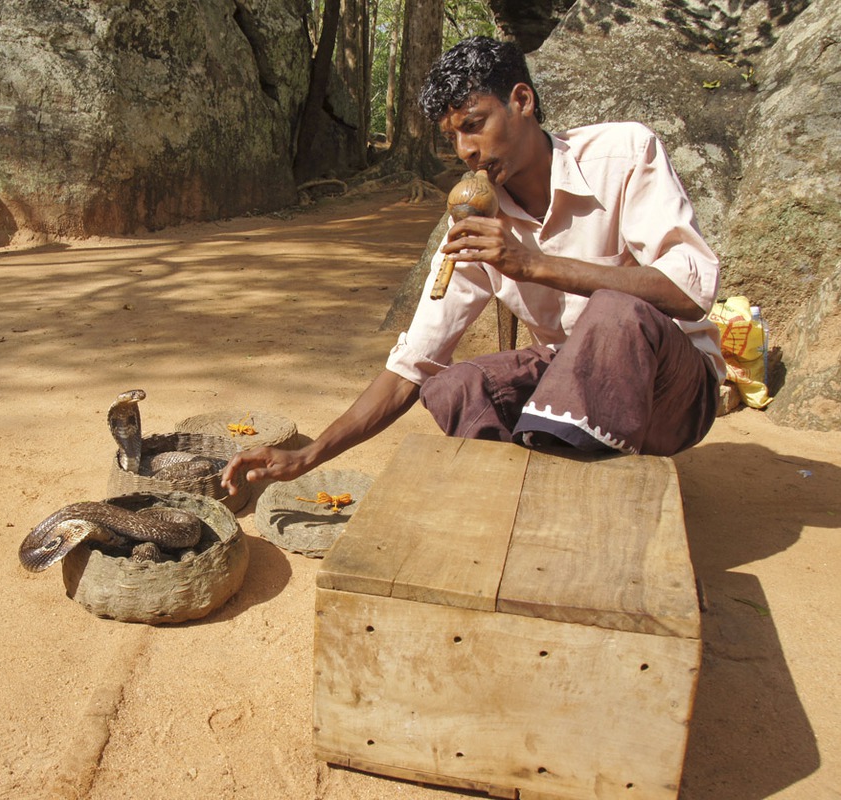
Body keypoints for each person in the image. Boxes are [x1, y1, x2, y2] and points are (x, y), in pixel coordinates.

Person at [222, 35, 723, 495]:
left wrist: (535, 265)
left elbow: (689, 288)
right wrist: (308, 456)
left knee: (616, 311)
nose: (465, 151)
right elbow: (408, 369)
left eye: (474, 125)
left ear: (522, 102)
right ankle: (536, 485)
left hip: (671, 392)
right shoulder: (475, 221)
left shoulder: (624, 155)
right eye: (452, 137)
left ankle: (566, 490)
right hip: (569, 382)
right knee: (454, 387)